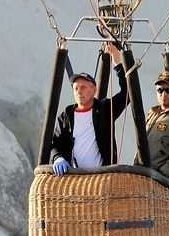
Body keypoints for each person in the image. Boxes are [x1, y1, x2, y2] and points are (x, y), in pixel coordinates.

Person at [50, 44, 129, 176]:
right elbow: (55, 143)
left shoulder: (104, 109)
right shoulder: (66, 116)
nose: (79, 92)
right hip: (73, 177)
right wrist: (58, 158)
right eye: (76, 88)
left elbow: (128, 93)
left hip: (102, 176)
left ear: (94, 90)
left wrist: (117, 62)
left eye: (83, 88)